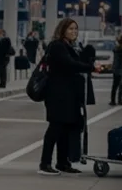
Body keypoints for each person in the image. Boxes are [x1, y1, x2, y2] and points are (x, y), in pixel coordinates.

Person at [38, 18, 94, 175]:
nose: (74, 32)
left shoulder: (70, 47)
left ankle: (63, 163)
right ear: (62, 30)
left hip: (68, 96)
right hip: (57, 95)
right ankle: (45, 163)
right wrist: (89, 67)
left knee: (65, 130)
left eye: (75, 29)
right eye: (70, 29)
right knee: (55, 129)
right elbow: (69, 64)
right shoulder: (57, 46)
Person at [108, 35, 122, 105]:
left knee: (115, 85)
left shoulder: (116, 48)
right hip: (120, 69)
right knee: (121, 86)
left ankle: (113, 100)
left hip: (116, 69)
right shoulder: (121, 50)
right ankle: (119, 100)